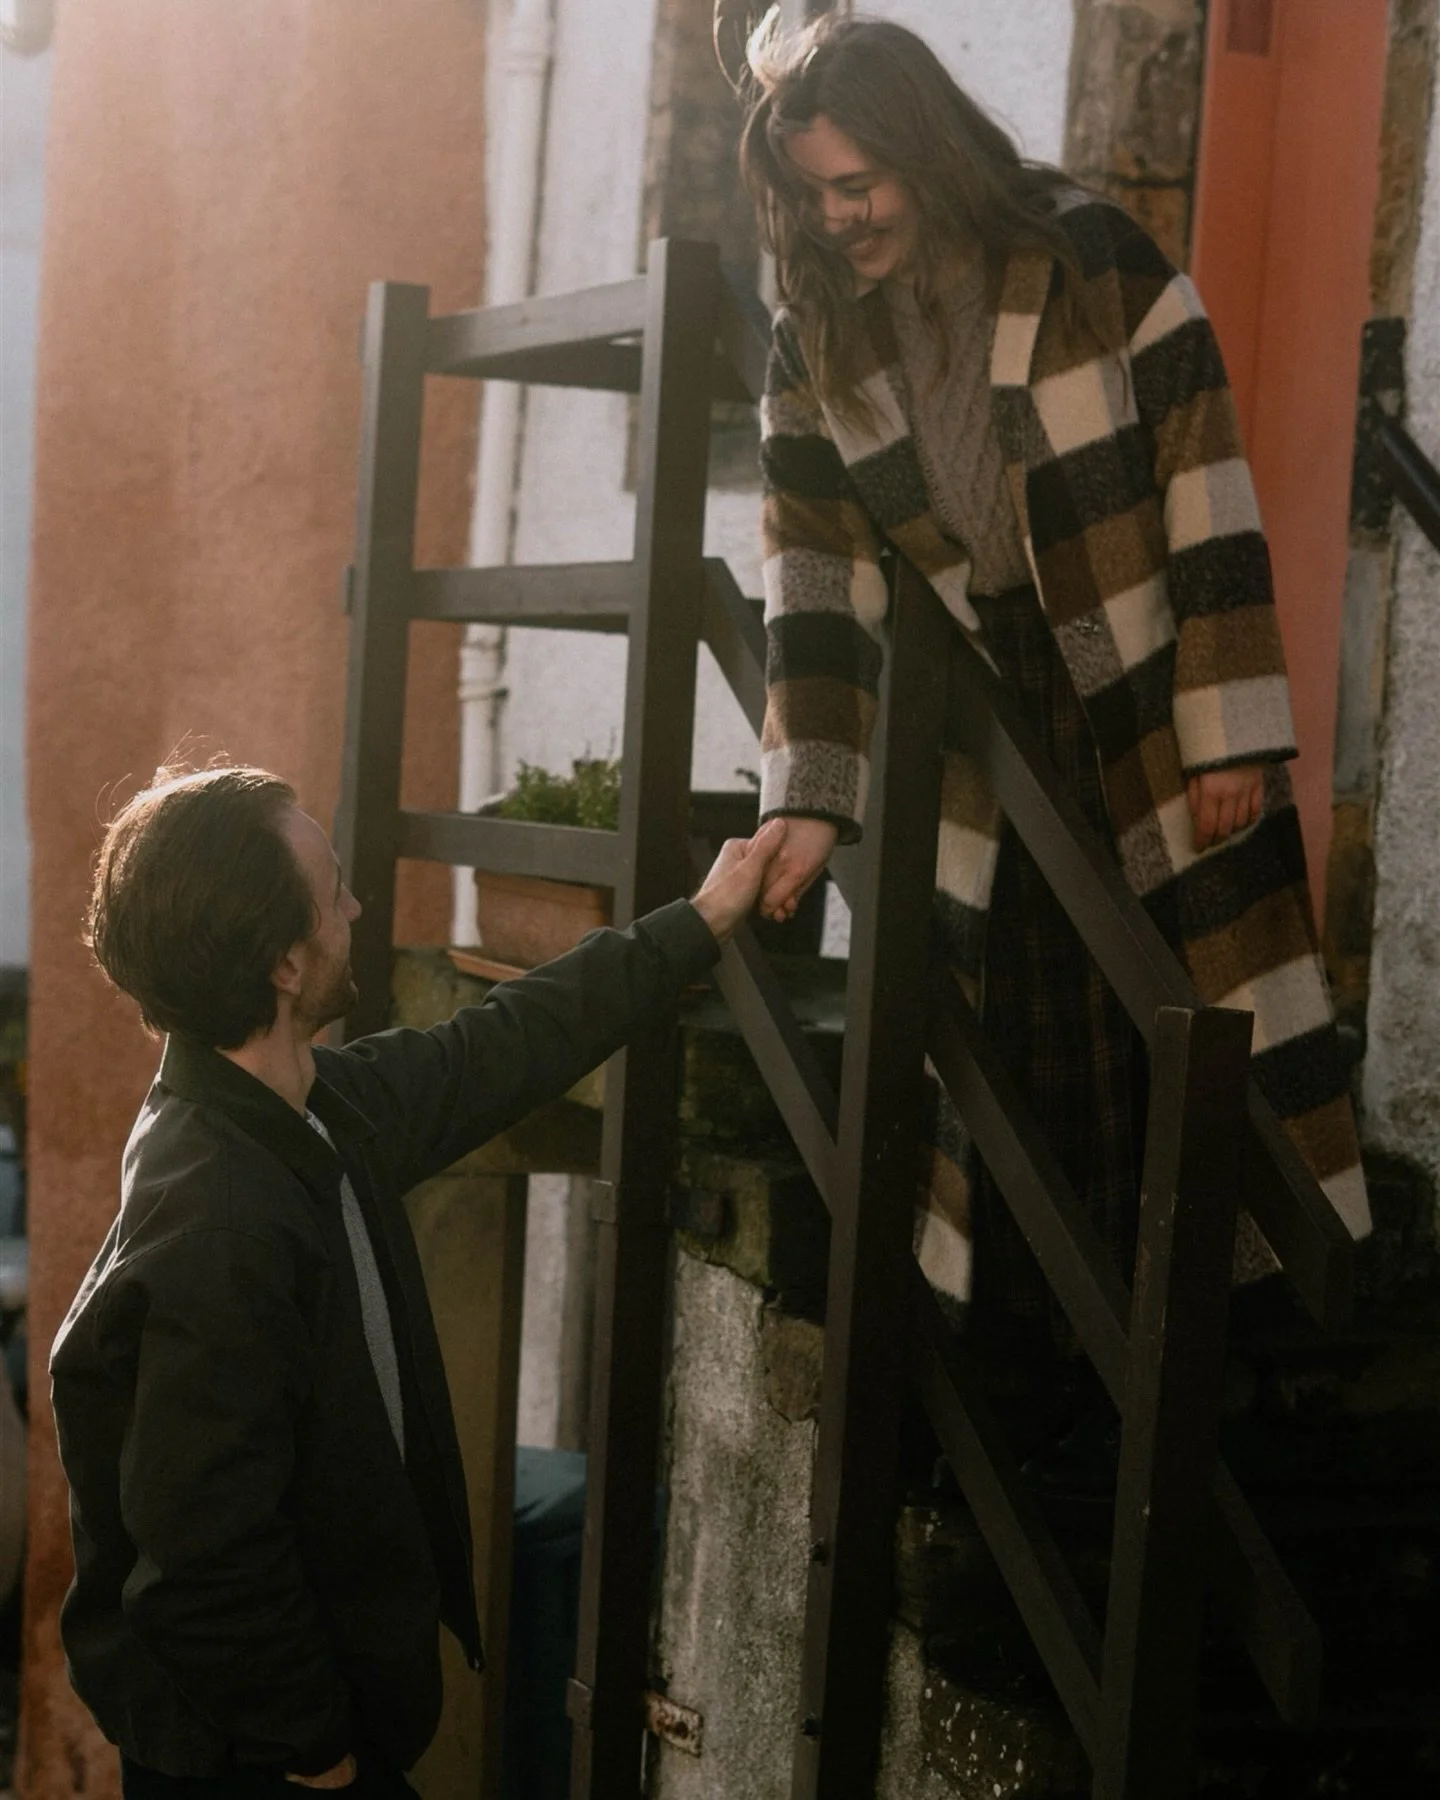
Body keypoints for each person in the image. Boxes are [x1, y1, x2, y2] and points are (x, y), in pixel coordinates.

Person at [735, 11, 1369, 1361]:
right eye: (814, 193)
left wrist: (1229, 728)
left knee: (1198, 1009)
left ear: (925, 149)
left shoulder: (1091, 256)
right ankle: (1058, 1366)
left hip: (1147, 693)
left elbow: (1204, 474)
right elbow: (813, 577)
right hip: (988, 717)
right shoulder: (815, 341)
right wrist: (808, 796)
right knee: (1024, 1035)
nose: (839, 218)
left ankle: (1245, 1351)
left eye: (861, 184)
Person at [50, 762, 785, 1798]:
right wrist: (318, 1749)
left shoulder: (305, 1111)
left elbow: (500, 1045)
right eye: (333, 893)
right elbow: (201, 1560)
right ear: (284, 965)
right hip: (259, 1760)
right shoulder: (218, 1224)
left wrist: (700, 919)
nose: (356, 907)